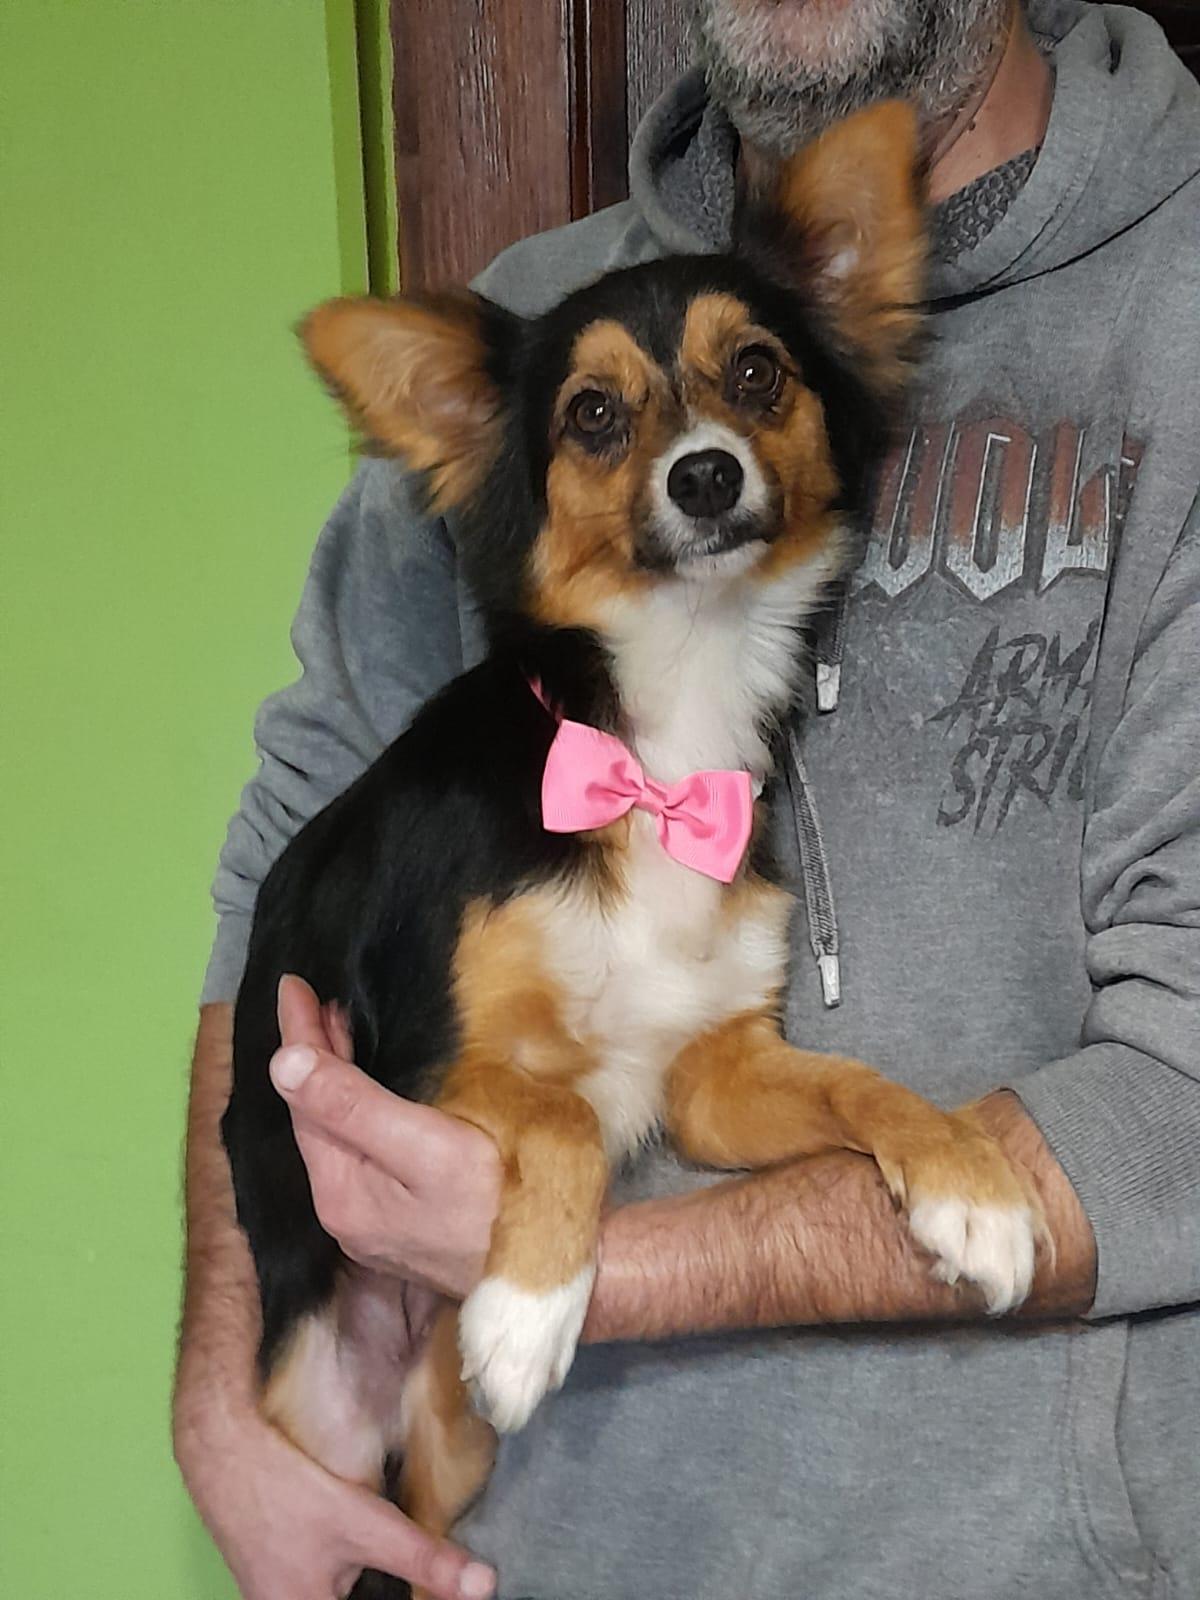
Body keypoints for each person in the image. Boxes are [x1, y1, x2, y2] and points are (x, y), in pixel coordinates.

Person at [174, 1, 1200, 1596]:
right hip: (520, 1551)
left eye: (750, 381)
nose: (691, 449)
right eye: (604, 420)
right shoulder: (523, 318)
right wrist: (237, 1411)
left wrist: (590, 1258)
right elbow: (282, 891)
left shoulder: (1171, 311)